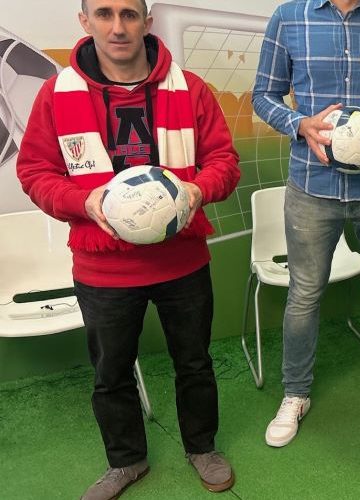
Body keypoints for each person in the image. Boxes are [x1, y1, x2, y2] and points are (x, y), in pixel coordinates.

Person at [16, 0, 241, 498]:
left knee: (195, 363)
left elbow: (224, 161)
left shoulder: (189, 88)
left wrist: (198, 189)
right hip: (103, 269)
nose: (117, 27)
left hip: (182, 261)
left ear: (146, 21)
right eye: (104, 14)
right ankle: (126, 461)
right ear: (85, 22)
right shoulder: (57, 93)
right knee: (111, 373)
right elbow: (34, 171)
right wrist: (81, 201)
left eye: (129, 14)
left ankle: (201, 447)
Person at [251, 0, 360, 446]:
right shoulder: (289, 17)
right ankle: (295, 394)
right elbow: (263, 96)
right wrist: (299, 123)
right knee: (304, 294)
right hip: (312, 189)